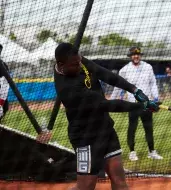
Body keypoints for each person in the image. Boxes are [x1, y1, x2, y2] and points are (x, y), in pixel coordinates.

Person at [37, 42, 160, 190]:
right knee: (85, 187)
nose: (79, 66)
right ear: (61, 64)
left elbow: (103, 73)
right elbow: (106, 105)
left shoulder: (77, 60)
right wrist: (142, 106)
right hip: (85, 137)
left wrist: (134, 89)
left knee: (119, 180)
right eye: (75, 65)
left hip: (105, 128)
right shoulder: (68, 89)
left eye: (80, 62)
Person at [110, 47, 163, 161]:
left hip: (147, 104)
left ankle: (152, 151)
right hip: (133, 104)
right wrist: (111, 101)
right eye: (133, 54)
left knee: (148, 128)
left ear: (140, 56)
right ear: (130, 56)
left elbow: (153, 83)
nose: (136, 56)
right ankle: (132, 152)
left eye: (138, 54)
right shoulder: (124, 70)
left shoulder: (148, 67)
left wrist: (156, 97)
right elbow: (118, 87)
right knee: (132, 128)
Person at [0, 44, 10, 122]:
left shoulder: (3, 65)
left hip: (1, 92)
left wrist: (1, 101)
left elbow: (6, 84)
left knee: (5, 108)